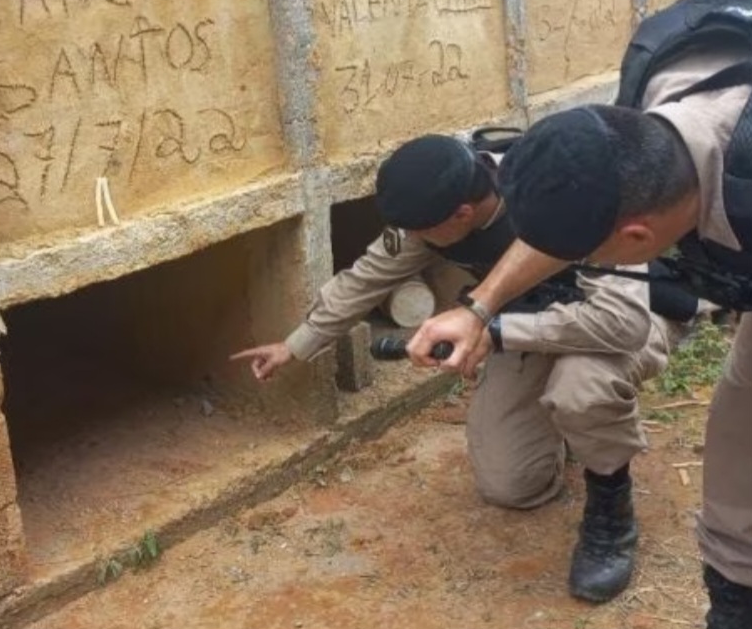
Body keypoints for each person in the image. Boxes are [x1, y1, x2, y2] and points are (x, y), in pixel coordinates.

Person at [406, 0, 752, 628]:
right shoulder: (649, 102)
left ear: (636, 239)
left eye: (584, 253)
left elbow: (616, 315)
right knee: (736, 459)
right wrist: (480, 308)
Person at [230, 133, 692, 604]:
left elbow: (622, 324)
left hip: (630, 318)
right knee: (510, 484)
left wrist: (491, 333)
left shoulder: (567, 194)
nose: (412, 239)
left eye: (421, 231)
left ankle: (611, 511)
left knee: (581, 389)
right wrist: (296, 344)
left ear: (463, 215)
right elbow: (366, 278)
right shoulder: (439, 207)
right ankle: (569, 431)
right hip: (530, 322)